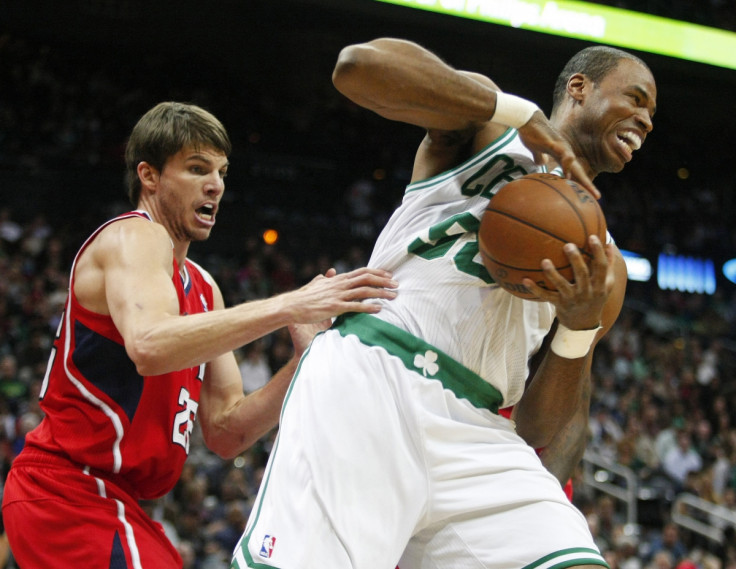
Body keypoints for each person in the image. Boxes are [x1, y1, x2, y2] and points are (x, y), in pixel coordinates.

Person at [232, 38, 656, 569]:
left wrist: (577, 327)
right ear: (579, 88)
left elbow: (542, 429)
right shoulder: (491, 129)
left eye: (652, 113)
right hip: (378, 373)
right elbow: (357, 67)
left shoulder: (606, 268)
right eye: (636, 98)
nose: (646, 119)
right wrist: (513, 110)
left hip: (479, 429)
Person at [1, 101, 399, 568]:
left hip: (115, 502)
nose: (216, 185)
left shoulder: (204, 289)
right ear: (149, 176)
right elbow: (149, 346)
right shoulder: (135, 236)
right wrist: (289, 302)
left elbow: (228, 432)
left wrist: (304, 359)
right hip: (67, 490)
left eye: (222, 171)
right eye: (196, 168)